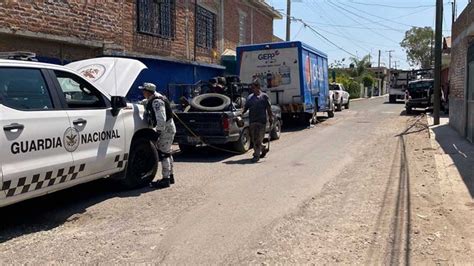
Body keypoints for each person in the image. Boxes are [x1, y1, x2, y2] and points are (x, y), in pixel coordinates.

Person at [140, 82, 176, 188]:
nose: (142, 92)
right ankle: (170, 176)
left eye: (143, 90)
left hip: (166, 130)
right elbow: (146, 102)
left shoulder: (157, 101)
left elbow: (161, 118)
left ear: (148, 91)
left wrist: (157, 132)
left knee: (164, 154)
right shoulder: (157, 97)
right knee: (168, 153)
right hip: (168, 129)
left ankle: (166, 180)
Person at [243, 79, 273, 162]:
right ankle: (262, 149)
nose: (253, 89)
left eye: (254, 87)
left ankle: (256, 156)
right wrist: (241, 113)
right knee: (255, 139)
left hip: (262, 121)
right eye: (252, 88)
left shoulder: (264, 97)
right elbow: (245, 108)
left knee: (258, 139)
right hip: (252, 121)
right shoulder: (249, 98)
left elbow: (269, 108)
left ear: (258, 87)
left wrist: (271, 118)